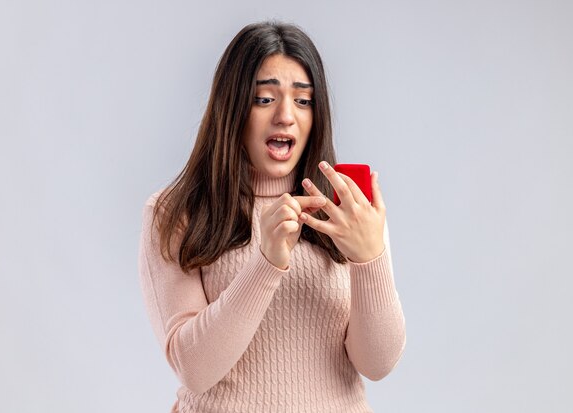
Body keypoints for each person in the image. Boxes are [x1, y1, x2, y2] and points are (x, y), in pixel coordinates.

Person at [138, 20, 406, 413]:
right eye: (264, 99)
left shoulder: (348, 208)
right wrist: (265, 264)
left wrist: (371, 258)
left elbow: (378, 363)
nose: (285, 116)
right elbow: (194, 369)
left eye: (303, 100)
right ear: (232, 108)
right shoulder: (176, 213)